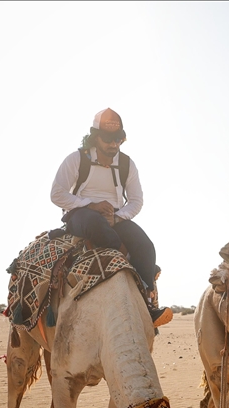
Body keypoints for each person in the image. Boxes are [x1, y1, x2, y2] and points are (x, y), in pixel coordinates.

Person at [50, 108, 170, 326]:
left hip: (115, 216)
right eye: (108, 139)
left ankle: (146, 302)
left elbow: (136, 200)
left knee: (145, 245)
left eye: (118, 139)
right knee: (101, 231)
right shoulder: (76, 159)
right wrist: (90, 205)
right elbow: (57, 193)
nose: (113, 144)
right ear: (95, 137)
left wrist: (119, 217)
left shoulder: (126, 164)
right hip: (80, 214)